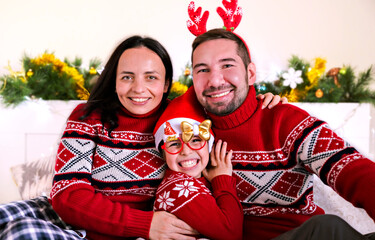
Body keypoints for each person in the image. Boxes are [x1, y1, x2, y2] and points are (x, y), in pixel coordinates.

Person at [0, 34, 283, 240]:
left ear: (166, 84)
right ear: (114, 80)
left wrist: (262, 103)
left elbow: (227, 105)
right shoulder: (88, 116)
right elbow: (69, 196)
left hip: (146, 232)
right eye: (127, 77)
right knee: (16, 226)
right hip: (81, 226)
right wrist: (144, 224)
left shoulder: (181, 118)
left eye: (151, 77)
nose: (138, 89)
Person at [177, 28, 375, 240]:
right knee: (327, 228)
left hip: (302, 236)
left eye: (227, 65)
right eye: (202, 70)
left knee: (331, 230)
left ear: (250, 73)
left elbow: (352, 170)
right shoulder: (186, 131)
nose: (215, 81)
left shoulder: (285, 120)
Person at [152, 88, 243, 240]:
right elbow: (231, 234)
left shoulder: (198, 181)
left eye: (195, 140)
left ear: (209, 146)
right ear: (163, 153)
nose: (186, 152)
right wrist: (222, 179)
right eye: (174, 143)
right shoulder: (178, 188)